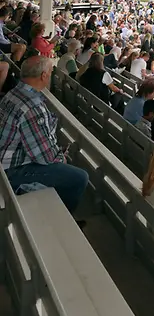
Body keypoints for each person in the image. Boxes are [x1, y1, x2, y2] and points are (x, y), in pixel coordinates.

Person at [0, 56, 89, 213]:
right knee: (79, 178)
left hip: (7, 157)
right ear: (44, 76)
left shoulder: (13, 93)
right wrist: (61, 158)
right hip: (10, 172)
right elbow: (45, 157)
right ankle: (63, 220)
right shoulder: (33, 106)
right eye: (50, 72)